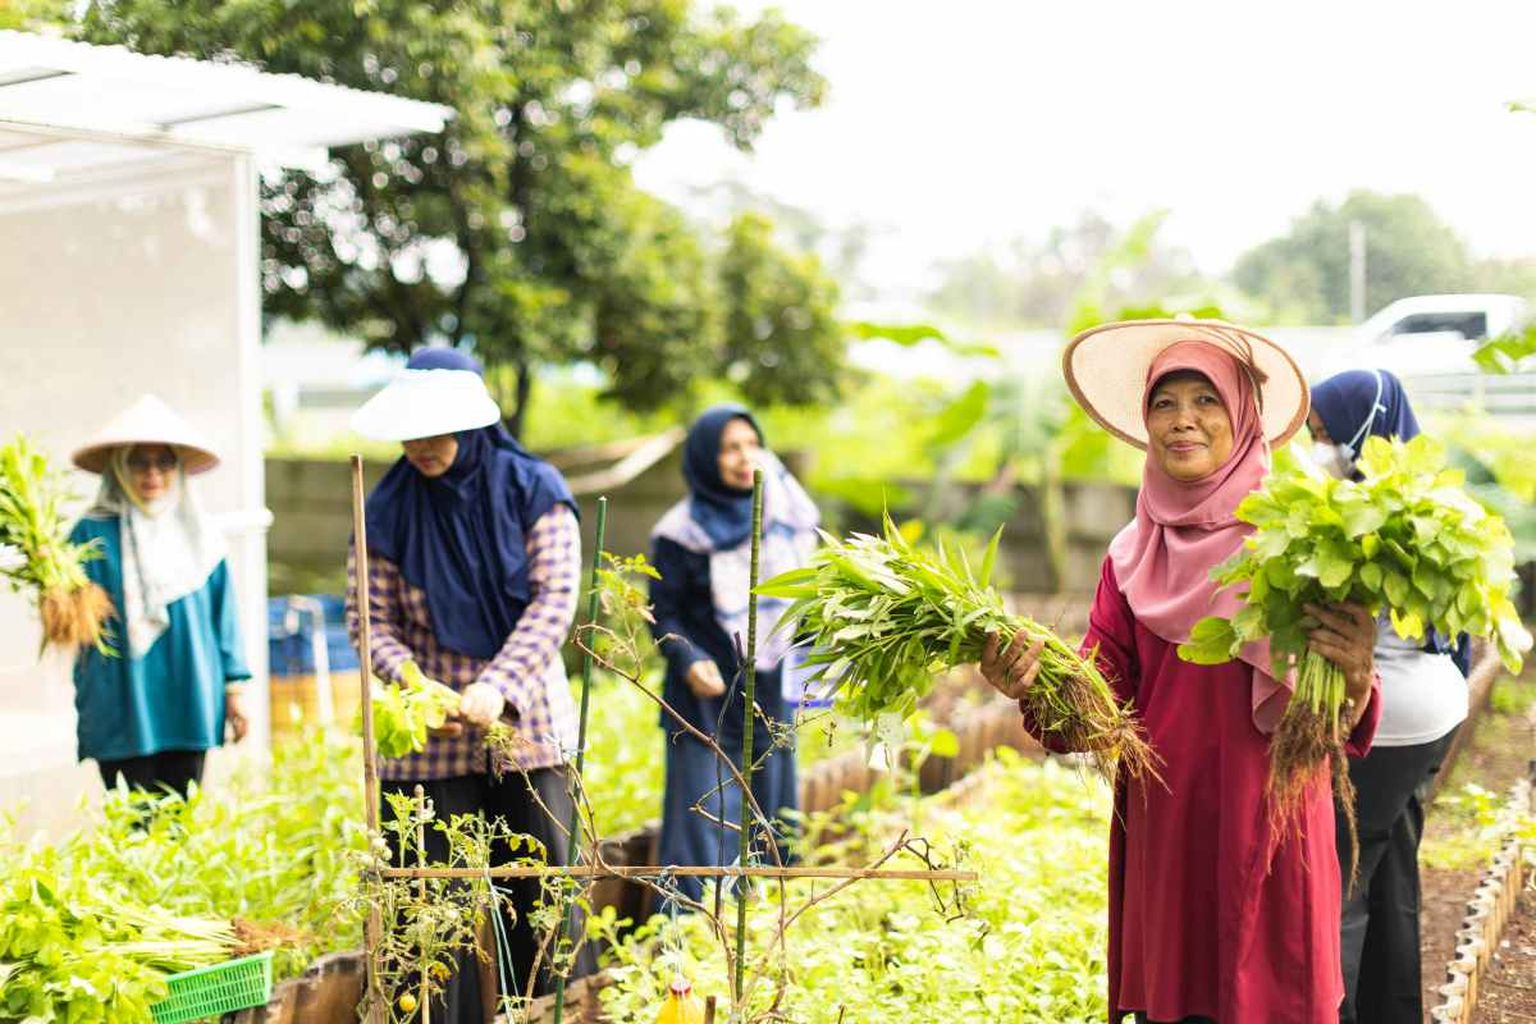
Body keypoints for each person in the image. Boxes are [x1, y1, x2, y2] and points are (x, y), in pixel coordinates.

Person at [982, 319, 1383, 1023]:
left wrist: (1353, 672)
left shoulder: (1300, 540)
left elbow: (1347, 713)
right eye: (1164, 403)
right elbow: (1098, 708)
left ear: (1244, 413)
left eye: (1206, 399)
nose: (1182, 420)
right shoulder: (1130, 555)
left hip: (1274, 822)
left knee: (1276, 998)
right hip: (1169, 829)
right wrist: (1034, 685)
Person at [346, 348, 591, 1017]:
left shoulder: (531, 488)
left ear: (472, 422)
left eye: (437, 428)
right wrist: (421, 689)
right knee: (431, 907)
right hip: (429, 730)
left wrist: (498, 685)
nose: (421, 446)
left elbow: (553, 601)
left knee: (540, 895)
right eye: (411, 431)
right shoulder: (387, 508)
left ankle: (543, 1015)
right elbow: (369, 620)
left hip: (526, 718)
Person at [1309, 368, 1470, 1024]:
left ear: (1363, 427)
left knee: (1337, 889)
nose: (1318, 447)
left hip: (1380, 722)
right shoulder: (1432, 502)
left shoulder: (1351, 509)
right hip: (1436, 714)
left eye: (1325, 434)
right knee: (1392, 869)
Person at [649, 405, 820, 907]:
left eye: (751, 443)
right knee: (704, 820)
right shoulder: (678, 531)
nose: (745, 458)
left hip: (769, 685)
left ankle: (771, 930)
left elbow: (809, 598)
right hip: (705, 694)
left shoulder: (785, 515)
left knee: (775, 821)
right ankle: (694, 935)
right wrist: (688, 657)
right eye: (730, 448)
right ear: (705, 458)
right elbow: (663, 613)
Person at [69, 394, 251, 797]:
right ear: (119, 468)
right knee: (132, 826)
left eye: (164, 463)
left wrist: (234, 693)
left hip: (190, 691)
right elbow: (67, 617)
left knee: (181, 821)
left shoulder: (200, 536)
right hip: (121, 697)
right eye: (138, 462)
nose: (152, 474)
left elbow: (224, 619)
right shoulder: (88, 535)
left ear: (179, 470)